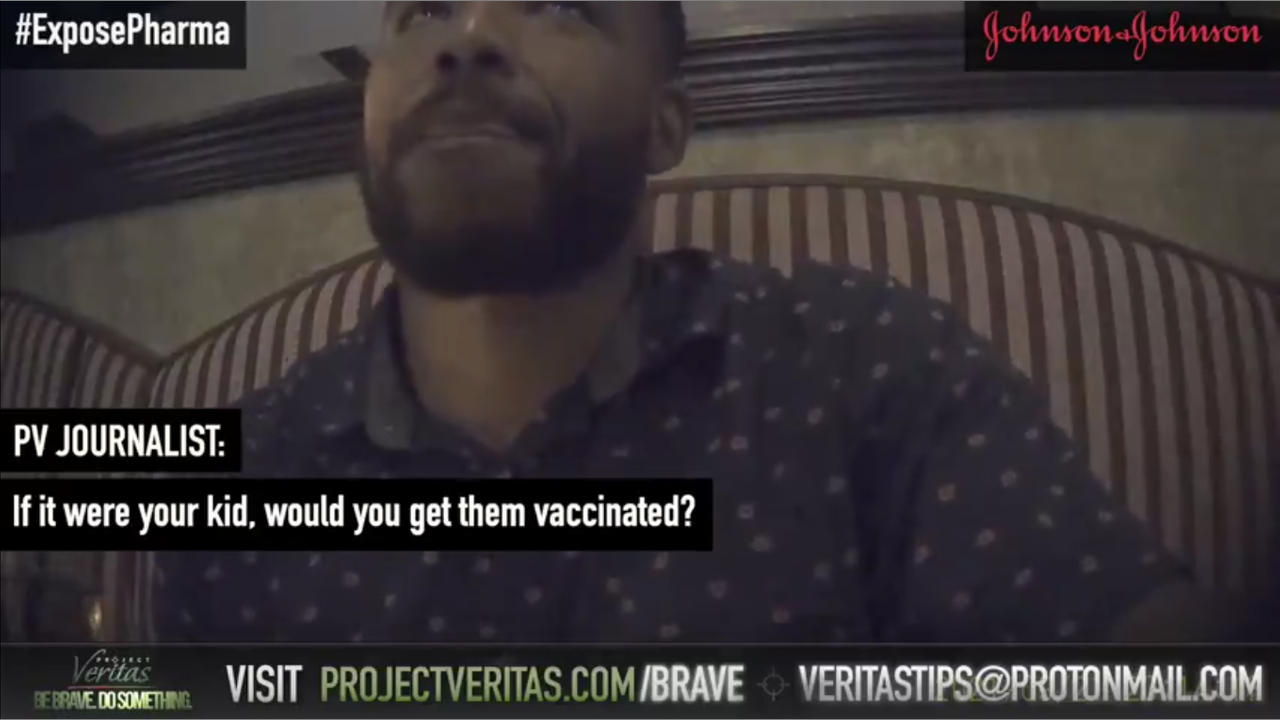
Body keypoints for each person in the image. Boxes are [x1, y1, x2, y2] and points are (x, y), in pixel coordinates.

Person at [150, 1, 1232, 644]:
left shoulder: (861, 367)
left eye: (562, 4)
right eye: (422, 10)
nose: (465, 40)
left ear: (665, 125)